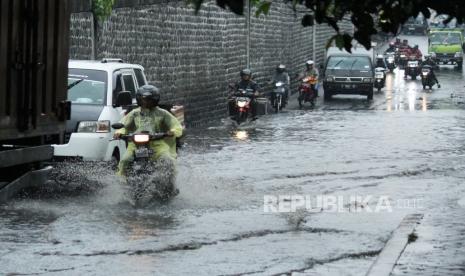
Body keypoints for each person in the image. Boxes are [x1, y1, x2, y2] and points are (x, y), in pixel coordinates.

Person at [114, 84, 183, 178]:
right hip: (135, 144)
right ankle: (122, 181)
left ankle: (171, 182)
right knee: (125, 160)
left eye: (149, 99)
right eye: (143, 99)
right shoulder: (134, 113)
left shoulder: (162, 113)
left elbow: (176, 125)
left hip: (158, 143)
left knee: (168, 160)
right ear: (139, 99)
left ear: (154, 100)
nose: (146, 102)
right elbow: (123, 124)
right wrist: (119, 132)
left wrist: (172, 131)